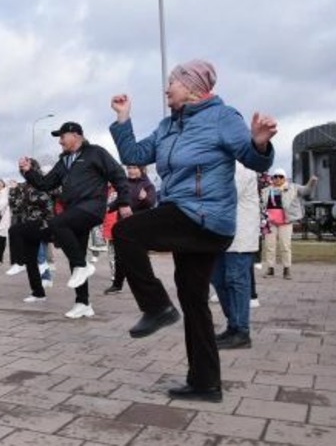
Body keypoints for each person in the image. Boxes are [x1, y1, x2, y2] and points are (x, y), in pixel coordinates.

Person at [109, 58, 276, 402]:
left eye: (172, 82)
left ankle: (156, 306)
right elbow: (134, 154)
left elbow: (253, 159)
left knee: (126, 233)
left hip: (204, 217)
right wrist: (123, 120)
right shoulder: (168, 126)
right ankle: (205, 383)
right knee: (193, 299)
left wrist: (259, 143)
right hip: (184, 215)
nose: (166, 88)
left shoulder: (222, 117)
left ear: (192, 87)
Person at [19, 121, 130, 318]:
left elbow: (118, 174)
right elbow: (45, 184)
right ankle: (83, 302)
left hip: (92, 207)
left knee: (57, 223)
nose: (60, 142)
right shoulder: (64, 162)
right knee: (75, 254)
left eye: (62, 137)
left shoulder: (95, 153)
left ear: (76, 136)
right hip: (74, 210)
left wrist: (124, 202)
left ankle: (84, 266)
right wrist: (28, 171)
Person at [211, 162, 259, 349]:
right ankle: (233, 325)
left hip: (240, 235)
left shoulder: (242, 167)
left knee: (236, 280)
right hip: (221, 235)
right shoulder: (220, 165)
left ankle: (241, 331)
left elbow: (226, 195)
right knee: (218, 279)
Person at [7, 159, 56, 302]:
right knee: (31, 260)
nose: (23, 171)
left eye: (25, 168)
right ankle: (38, 293)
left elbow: (51, 196)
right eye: (21, 169)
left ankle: (19, 262)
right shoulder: (23, 187)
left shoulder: (45, 181)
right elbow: (16, 208)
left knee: (14, 231)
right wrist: (12, 192)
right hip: (30, 223)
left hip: (44, 223)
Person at [104, 166, 157, 294]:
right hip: (122, 224)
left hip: (139, 225)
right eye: (129, 168)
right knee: (120, 256)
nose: (131, 171)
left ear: (142, 169)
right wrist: (107, 208)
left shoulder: (148, 185)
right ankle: (117, 285)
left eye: (134, 168)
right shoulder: (124, 184)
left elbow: (151, 203)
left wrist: (144, 198)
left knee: (141, 256)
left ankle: (148, 286)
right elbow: (119, 201)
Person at [261, 168, 317, 280]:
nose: (277, 179)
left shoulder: (293, 188)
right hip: (270, 222)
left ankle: (286, 269)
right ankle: (270, 268)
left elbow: (306, 191)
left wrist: (312, 182)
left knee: (285, 245)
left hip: (285, 222)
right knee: (269, 246)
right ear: (272, 178)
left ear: (284, 178)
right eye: (275, 176)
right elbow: (261, 203)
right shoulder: (266, 190)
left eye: (280, 176)